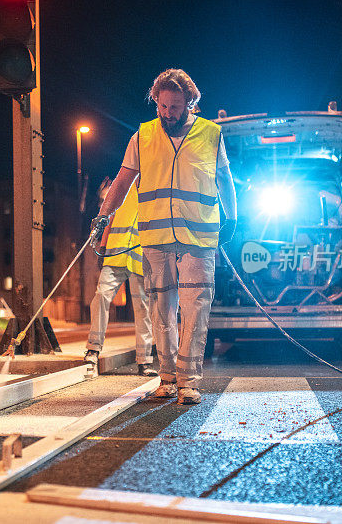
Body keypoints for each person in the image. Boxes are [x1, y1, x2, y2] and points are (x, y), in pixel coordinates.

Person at [91, 69, 237, 405]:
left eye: (174, 106)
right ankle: (167, 377)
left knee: (195, 309)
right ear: (156, 101)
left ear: (190, 103)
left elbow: (225, 178)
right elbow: (122, 182)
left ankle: (189, 381)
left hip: (198, 237)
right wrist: (103, 217)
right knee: (161, 310)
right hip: (156, 238)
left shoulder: (211, 134)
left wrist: (233, 217)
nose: (167, 113)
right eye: (162, 105)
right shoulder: (141, 137)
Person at [84, 184, 157, 376]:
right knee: (101, 296)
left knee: (143, 309)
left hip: (141, 259)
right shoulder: (123, 188)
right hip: (115, 255)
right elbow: (110, 220)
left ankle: (145, 361)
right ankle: (93, 349)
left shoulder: (155, 190)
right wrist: (103, 248)